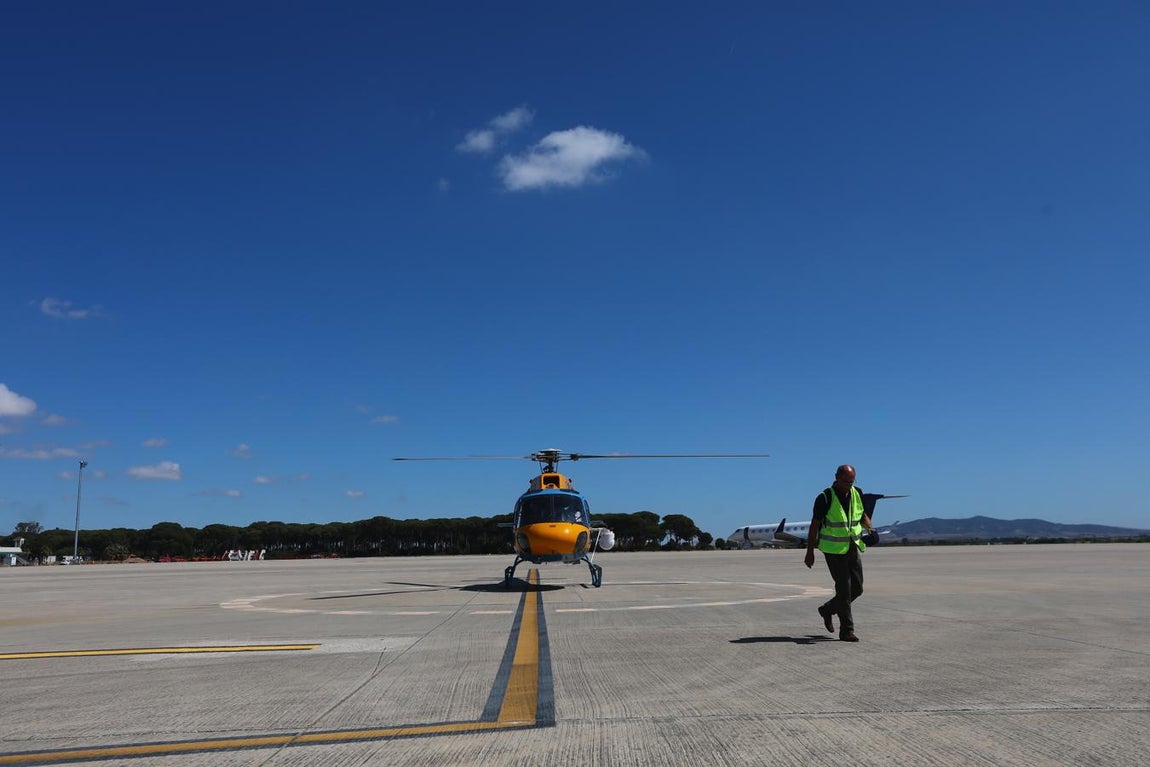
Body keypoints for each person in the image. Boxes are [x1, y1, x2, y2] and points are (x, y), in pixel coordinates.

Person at [804, 464, 876, 642]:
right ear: (836, 477)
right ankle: (846, 631)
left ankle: (828, 609)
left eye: (852, 482)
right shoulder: (825, 497)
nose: (849, 485)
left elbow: (862, 515)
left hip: (852, 546)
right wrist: (809, 552)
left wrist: (870, 529)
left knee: (857, 588)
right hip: (833, 550)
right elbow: (815, 525)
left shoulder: (856, 492)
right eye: (845, 482)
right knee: (843, 589)